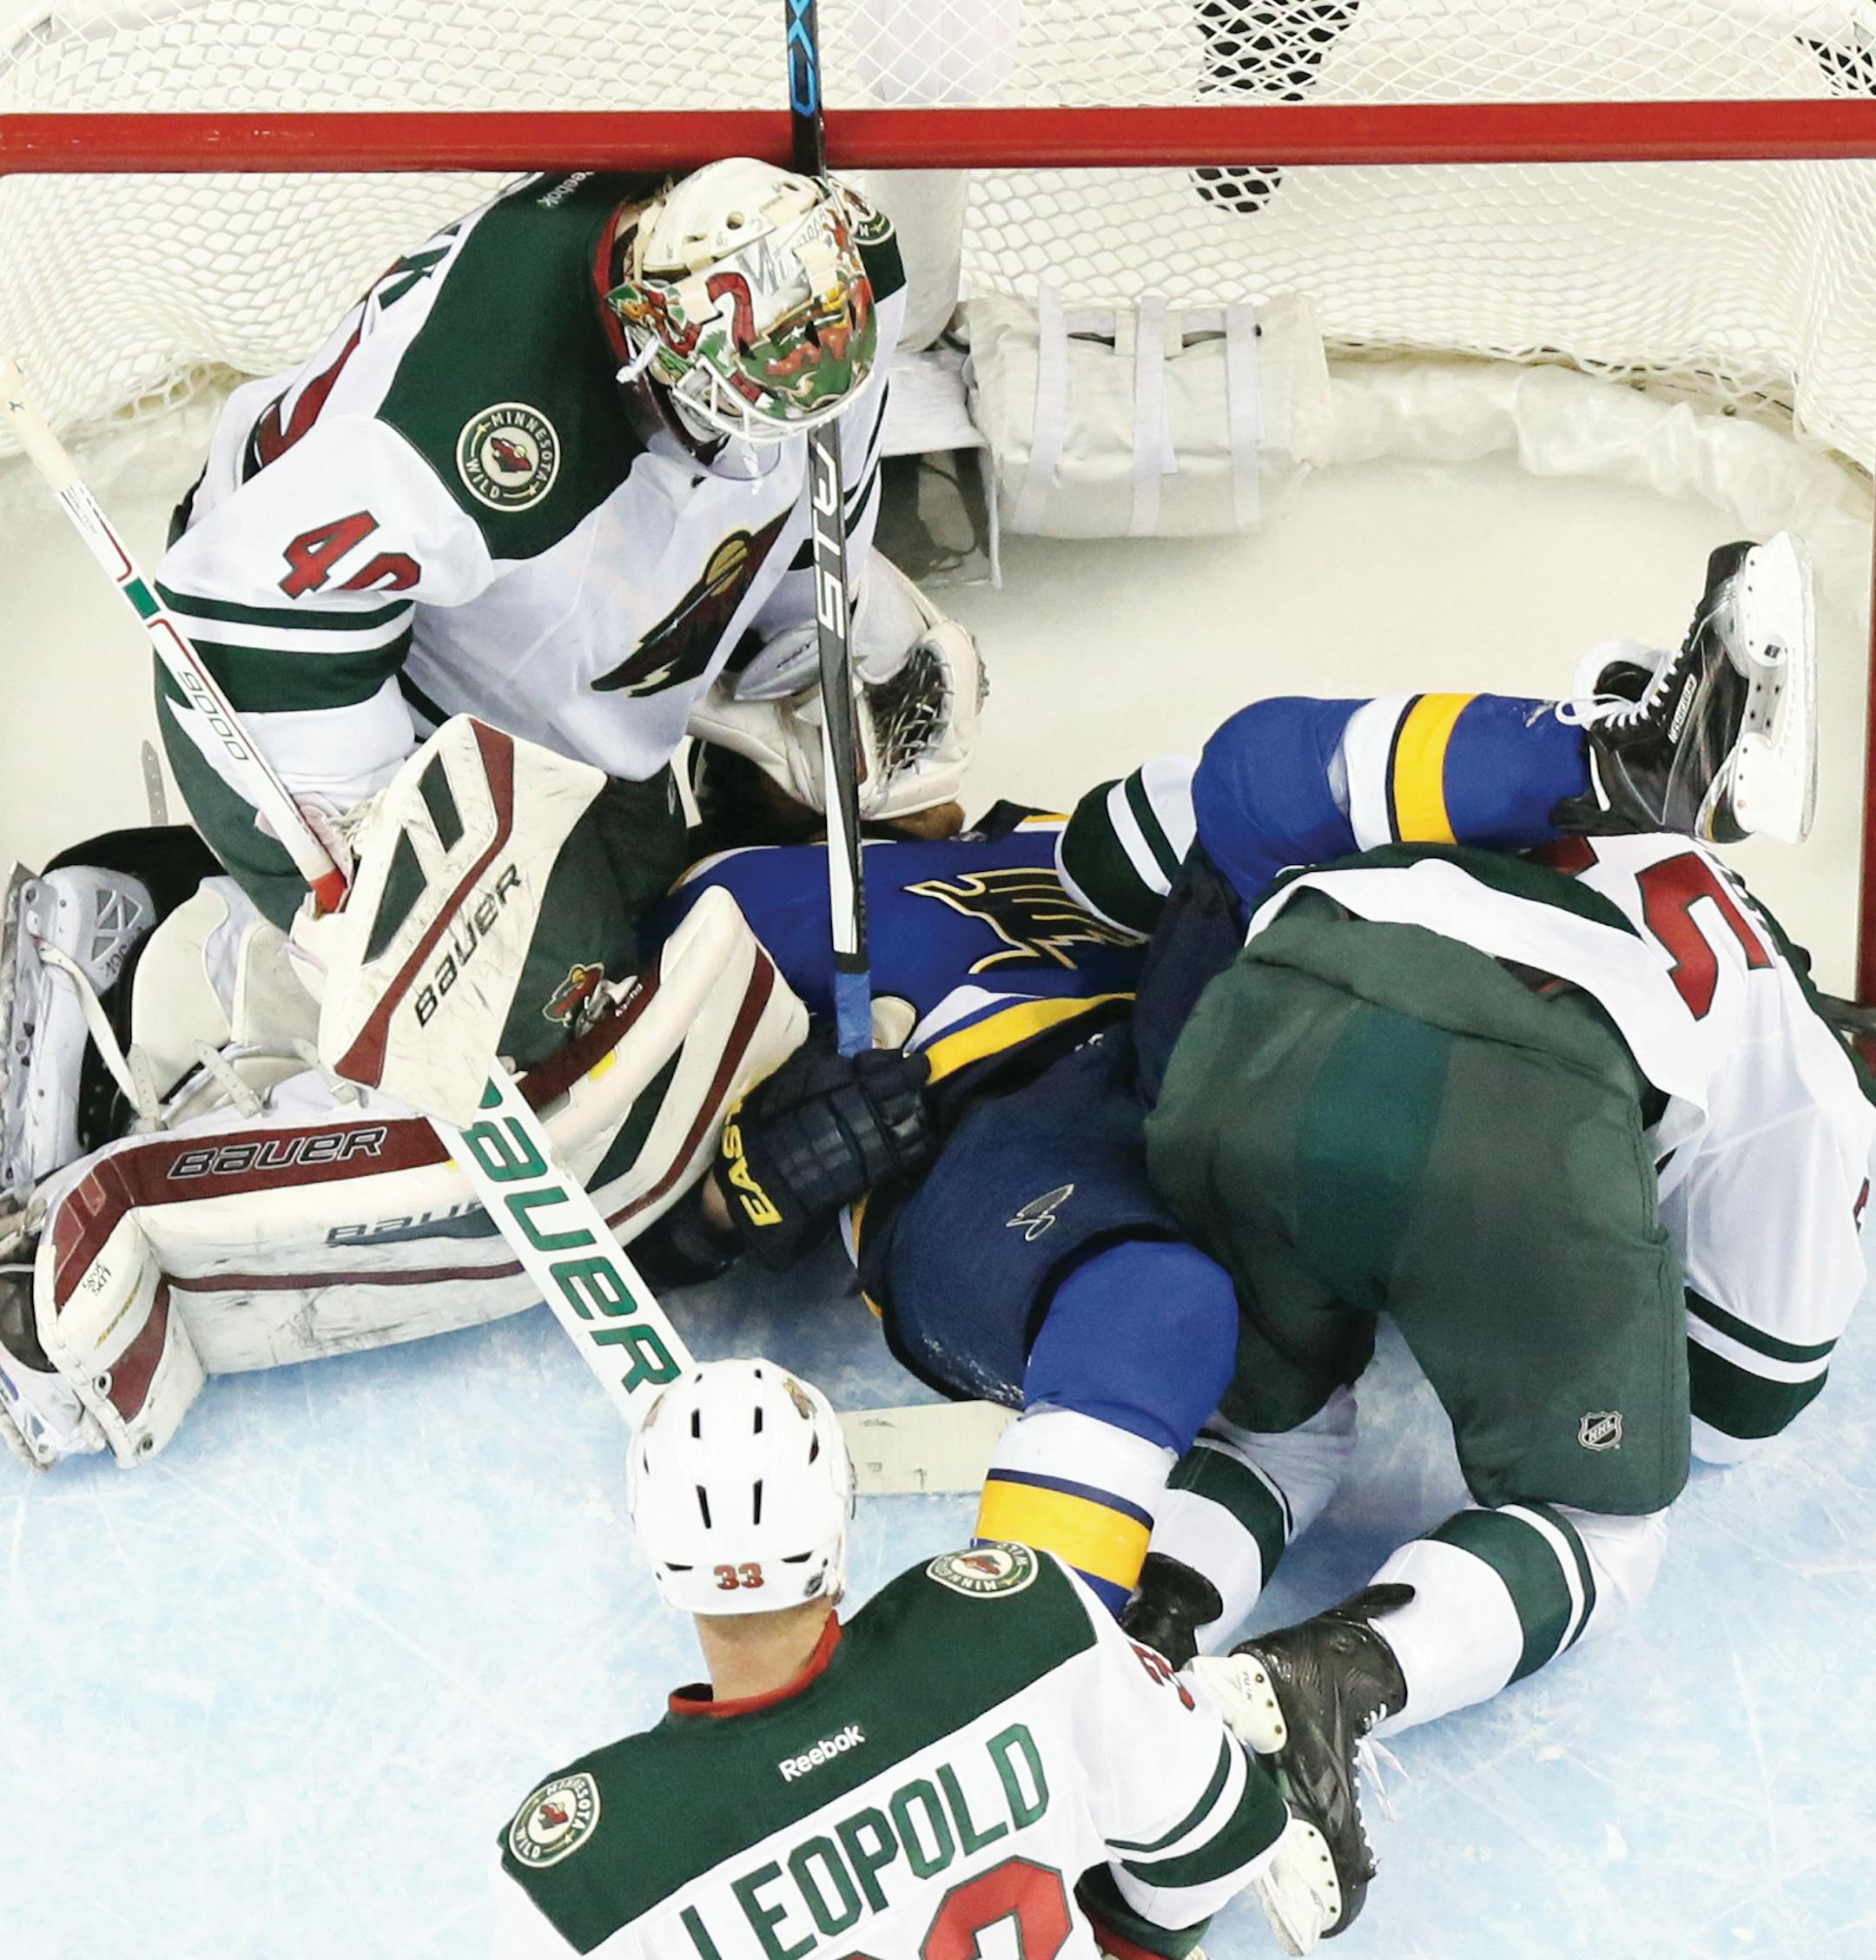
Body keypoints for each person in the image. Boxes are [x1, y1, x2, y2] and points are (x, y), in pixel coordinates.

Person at [644, 533, 1834, 1639]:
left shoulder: (1032, 824)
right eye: (886, 735)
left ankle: (1627, 759)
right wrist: (731, 1199)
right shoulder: (733, 898)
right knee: (1160, 1309)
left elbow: (1220, 816)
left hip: (1217, 1057)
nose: (928, 766)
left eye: (924, 715)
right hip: (991, 1142)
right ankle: (1026, 1661)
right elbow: (607, 1190)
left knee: (1260, 763)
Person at [1102, 538, 1872, 1929]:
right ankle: (1330, 1681)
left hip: (1258, 1023)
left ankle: (1141, 1653)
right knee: (1606, 1515)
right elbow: (1748, 1401)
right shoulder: (1790, 1025)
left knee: (1267, 1430)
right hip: (1522, 1105)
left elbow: (1183, 834)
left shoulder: (1488, 763)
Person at [151, 153, 952, 1071]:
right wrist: (380, 851)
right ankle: (217, 972)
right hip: (323, 669)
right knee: (550, 1027)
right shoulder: (471, 429)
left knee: (650, 902)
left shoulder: (845, 276)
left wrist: (798, 617)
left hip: (532, 652)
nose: (752, 457)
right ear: (641, 341)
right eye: (727, 421)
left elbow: (808, 446)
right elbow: (237, 605)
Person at [488, 1355, 1342, 1957]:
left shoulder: (585, 1872)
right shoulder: (1011, 1625)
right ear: (836, 1517)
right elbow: (1223, 1836)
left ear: (655, 1547)